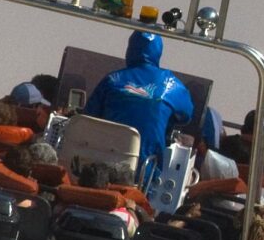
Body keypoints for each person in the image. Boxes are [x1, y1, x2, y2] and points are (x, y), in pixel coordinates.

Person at [81, 29, 218, 198]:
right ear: (158, 52)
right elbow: (186, 116)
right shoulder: (171, 85)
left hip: (100, 169)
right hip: (144, 174)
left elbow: (88, 116)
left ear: (130, 49)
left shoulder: (112, 80)